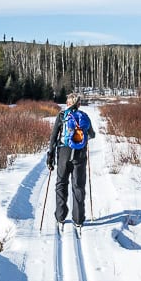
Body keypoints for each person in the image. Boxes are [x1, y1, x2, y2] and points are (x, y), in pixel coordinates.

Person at [46, 93, 95, 232]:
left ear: (68, 103)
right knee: (78, 186)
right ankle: (78, 219)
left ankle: (60, 216)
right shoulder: (84, 117)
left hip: (63, 153)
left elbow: (53, 137)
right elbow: (92, 135)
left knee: (61, 183)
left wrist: (50, 156)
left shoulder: (62, 116)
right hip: (79, 155)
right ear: (78, 104)